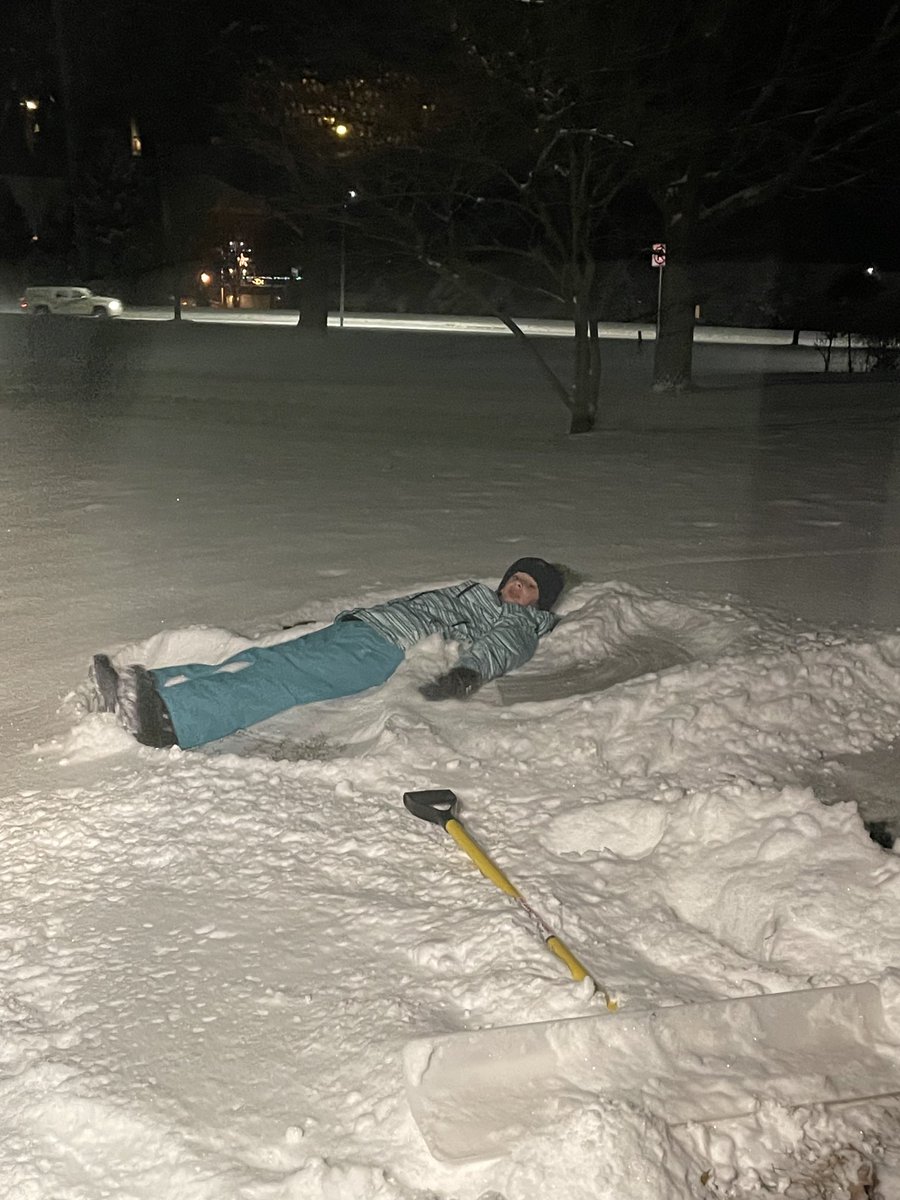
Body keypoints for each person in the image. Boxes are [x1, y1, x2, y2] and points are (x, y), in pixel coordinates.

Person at [90, 556, 566, 751]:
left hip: (387, 648)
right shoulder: (479, 595)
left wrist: (465, 672)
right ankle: (152, 686)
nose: (516, 588)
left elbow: (501, 648)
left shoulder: (519, 623)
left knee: (282, 678)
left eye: (528, 588)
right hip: (368, 630)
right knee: (265, 660)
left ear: (538, 602)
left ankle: (174, 718)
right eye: (516, 578)